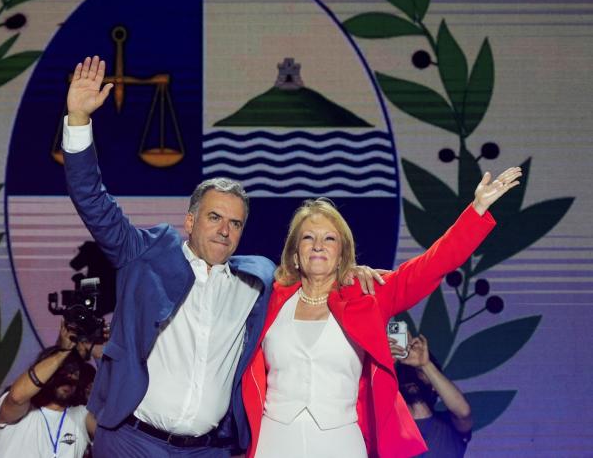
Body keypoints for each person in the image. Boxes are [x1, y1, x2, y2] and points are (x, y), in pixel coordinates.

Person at [61, 55, 383, 457]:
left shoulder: (257, 280)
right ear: (190, 221)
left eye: (235, 223)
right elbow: (92, 200)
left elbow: (312, 277)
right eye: (214, 218)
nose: (224, 230)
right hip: (133, 441)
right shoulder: (145, 254)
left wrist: (349, 272)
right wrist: (78, 119)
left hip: (209, 449)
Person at [241, 167, 522, 458]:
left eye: (330, 239)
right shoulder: (268, 299)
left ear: (342, 255)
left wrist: (476, 210)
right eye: (308, 238)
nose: (318, 246)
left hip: (340, 442)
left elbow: (431, 266)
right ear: (295, 255)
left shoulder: (368, 295)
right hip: (274, 441)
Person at [0, 321, 98, 458]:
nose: (69, 376)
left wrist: (101, 353)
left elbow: (114, 435)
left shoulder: (80, 415)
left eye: (74, 372)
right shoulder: (23, 409)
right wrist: (62, 352)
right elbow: (17, 397)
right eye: (64, 369)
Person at [391, 334, 472, 457]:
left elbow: (463, 412)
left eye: (419, 371)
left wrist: (425, 364)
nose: (412, 376)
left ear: (435, 385)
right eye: (407, 372)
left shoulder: (449, 424)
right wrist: (386, 364)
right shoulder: (387, 428)